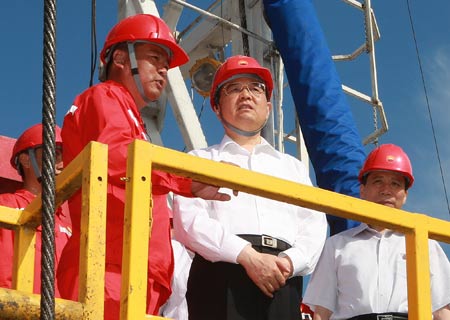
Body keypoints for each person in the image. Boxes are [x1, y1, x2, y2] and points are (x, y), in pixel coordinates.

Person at [57, 14, 230, 319]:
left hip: (138, 271)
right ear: (121, 58)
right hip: (108, 267)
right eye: (154, 58)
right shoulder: (102, 97)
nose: (164, 69)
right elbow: (118, 154)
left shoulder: (133, 121)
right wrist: (185, 181)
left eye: (166, 63)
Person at [173, 55, 328, 320]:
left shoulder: (293, 168)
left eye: (255, 88)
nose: (246, 95)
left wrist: (288, 263)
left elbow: (313, 226)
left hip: (282, 279)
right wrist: (246, 256)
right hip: (220, 276)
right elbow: (190, 223)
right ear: (216, 107)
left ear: (268, 107)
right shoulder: (198, 161)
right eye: (234, 88)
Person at [303, 143, 450, 320]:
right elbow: (321, 313)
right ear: (362, 190)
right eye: (378, 181)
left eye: (395, 184)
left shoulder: (426, 245)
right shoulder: (336, 246)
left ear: (405, 195)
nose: (386, 190)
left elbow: (442, 310)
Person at [0, 123, 72, 296]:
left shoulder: (70, 224)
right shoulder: (7, 206)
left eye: (66, 156)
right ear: (26, 160)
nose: (62, 164)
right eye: (55, 154)